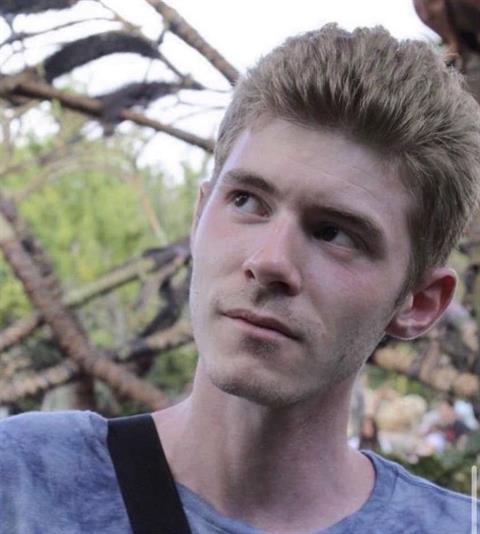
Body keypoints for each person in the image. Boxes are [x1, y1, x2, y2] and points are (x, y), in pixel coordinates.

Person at [2, 23, 480, 534]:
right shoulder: (24, 483)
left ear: (420, 302)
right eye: (247, 201)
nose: (270, 260)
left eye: (335, 233)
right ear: (199, 215)